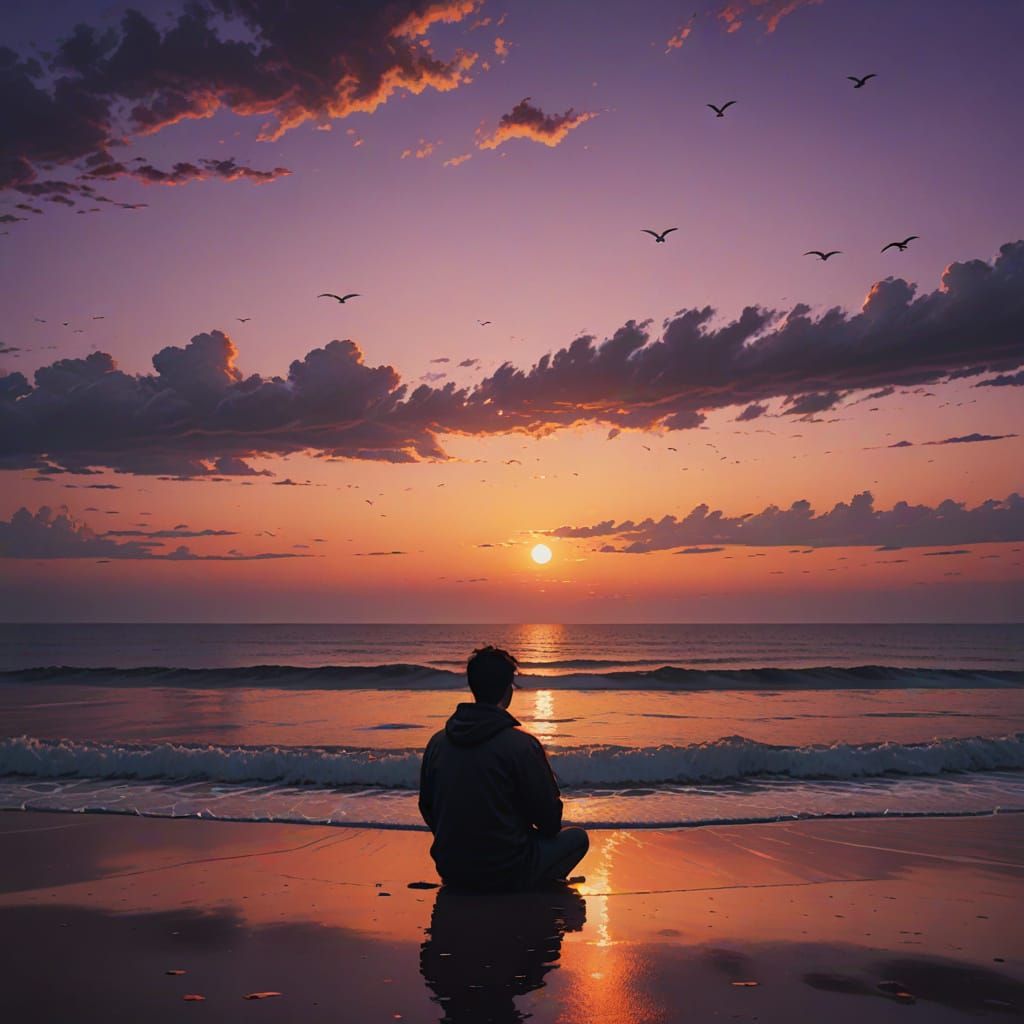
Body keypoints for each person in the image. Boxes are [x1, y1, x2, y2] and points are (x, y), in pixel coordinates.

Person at [418, 645, 589, 891]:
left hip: (452, 869)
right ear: (508, 690)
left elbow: (427, 808)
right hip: (507, 870)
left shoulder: (437, 743)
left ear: (472, 687)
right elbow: (550, 822)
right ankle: (541, 885)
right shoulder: (521, 744)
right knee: (577, 839)